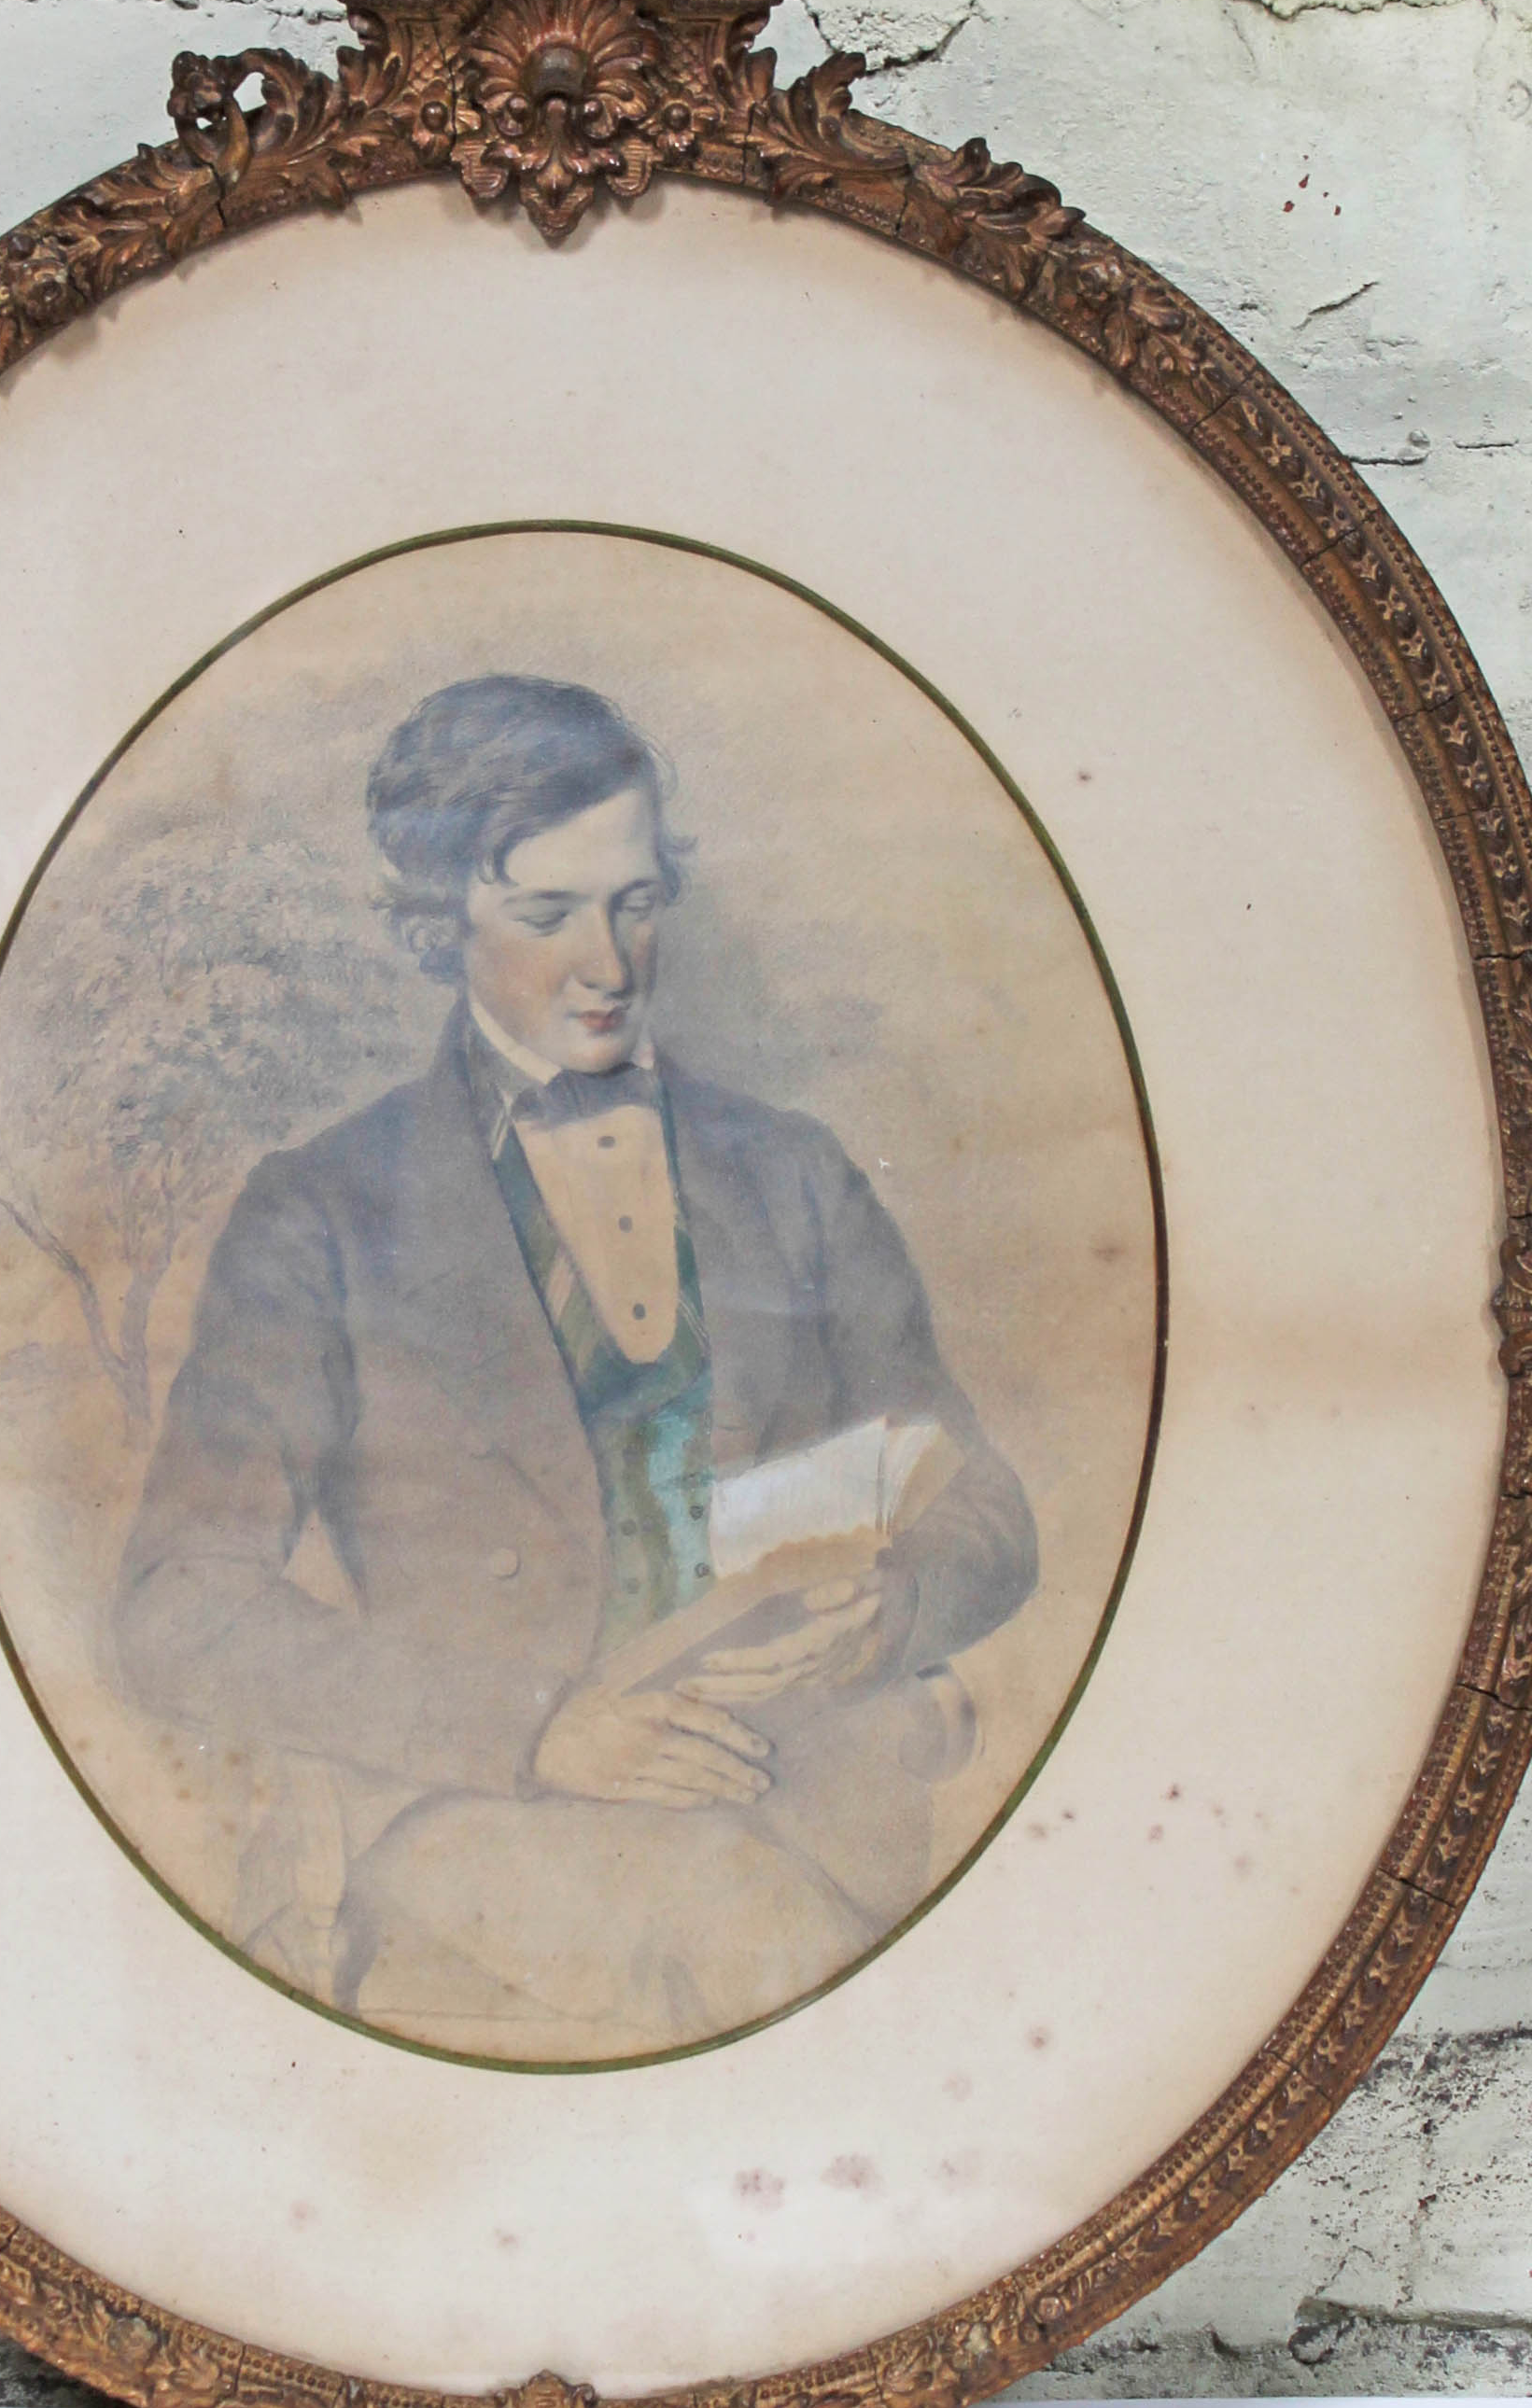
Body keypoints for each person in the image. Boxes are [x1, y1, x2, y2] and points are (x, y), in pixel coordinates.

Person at [116, 675, 1036, 2054]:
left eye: (636, 903)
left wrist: (897, 1605)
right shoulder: (322, 1212)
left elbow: (984, 1509)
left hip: (803, 1808)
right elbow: (178, 1612)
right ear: (440, 928)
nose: (606, 963)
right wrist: (536, 1726)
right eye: (544, 916)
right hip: (491, 1829)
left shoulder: (791, 1174)